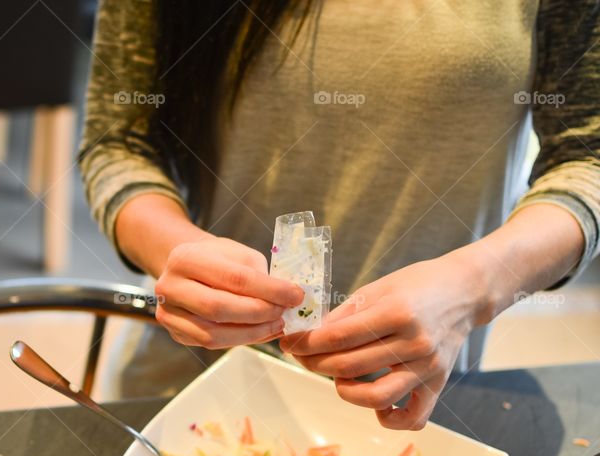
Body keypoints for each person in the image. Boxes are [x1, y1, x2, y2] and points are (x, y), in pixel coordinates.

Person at [78, 0, 600, 431]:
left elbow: (587, 158)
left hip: (409, 412)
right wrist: (174, 248)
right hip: (193, 403)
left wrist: (475, 286)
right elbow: (118, 142)